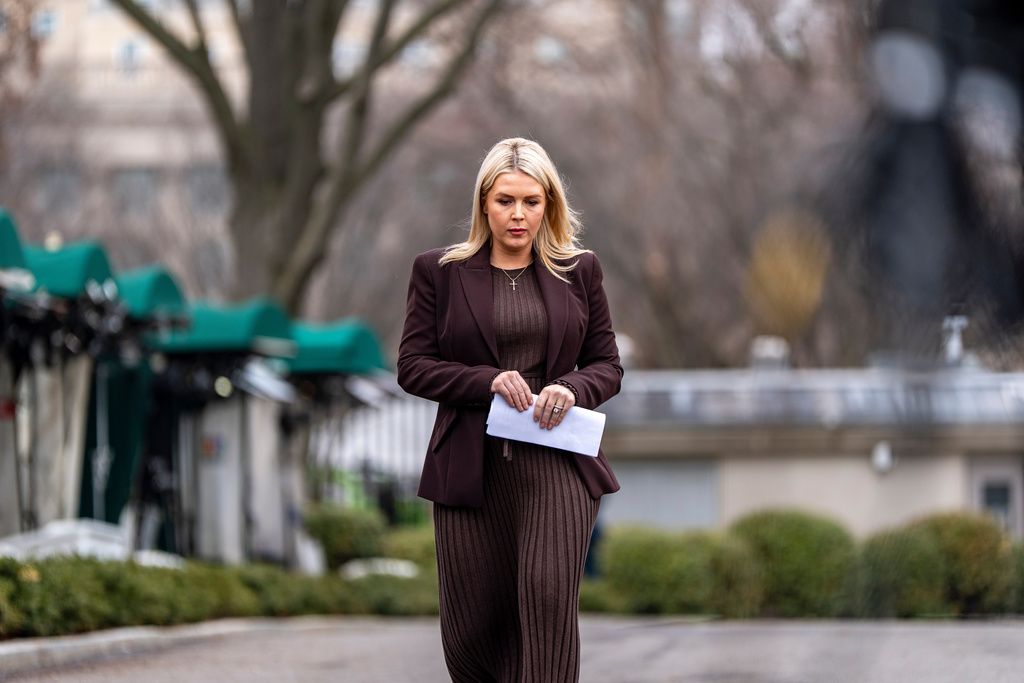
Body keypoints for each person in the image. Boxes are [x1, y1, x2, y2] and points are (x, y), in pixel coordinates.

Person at [397, 137, 622, 683]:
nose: (518, 215)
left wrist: (571, 387)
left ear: (549, 204)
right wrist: (486, 381)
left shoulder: (580, 270)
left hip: (557, 466)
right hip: (469, 471)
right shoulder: (439, 272)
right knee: (473, 631)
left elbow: (607, 366)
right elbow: (413, 366)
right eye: (504, 201)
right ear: (483, 203)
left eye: (531, 201)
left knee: (546, 606)